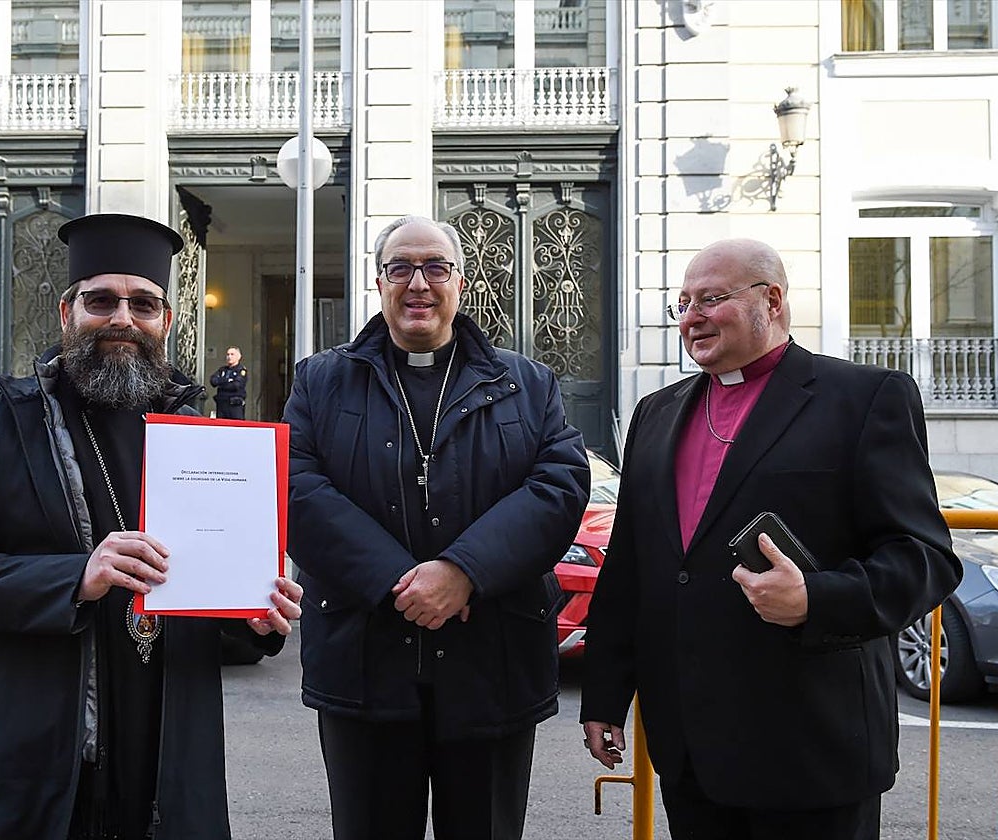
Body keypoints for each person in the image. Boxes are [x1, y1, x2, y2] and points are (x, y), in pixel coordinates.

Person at [0, 213, 302, 840]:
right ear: (68, 312)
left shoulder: (202, 436)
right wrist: (77, 577)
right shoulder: (2, 422)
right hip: (40, 747)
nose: (123, 318)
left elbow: (212, 619)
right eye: (102, 300)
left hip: (166, 748)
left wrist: (252, 617)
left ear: (165, 322)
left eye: (143, 303)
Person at [580, 238, 962, 840]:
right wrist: (604, 694)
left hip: (810, 745)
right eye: (682, 302)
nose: (691, 316)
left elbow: (925, 559)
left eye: (712, 298)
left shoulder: (863, 398)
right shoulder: (655, 413)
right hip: (692, 750)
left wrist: (817, 598)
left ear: (773, 300)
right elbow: (631, 566)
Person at [284, 215, 590, 839]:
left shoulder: (526, 383)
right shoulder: (321, 379)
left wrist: (462, 572)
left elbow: (558, 486)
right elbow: (295, 487)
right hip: (365, 663)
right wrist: (403, 580)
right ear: (379, 282)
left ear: (460, 281)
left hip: (492, 667)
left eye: (435, 268)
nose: (418, 283)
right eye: (402, 268)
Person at [210, 346, 248, 419]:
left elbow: (236, 385)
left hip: (234, 406)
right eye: (228, 354)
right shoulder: (222, 370)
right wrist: (227, 380)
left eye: (232, 354)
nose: (229, 357)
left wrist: (221, 383)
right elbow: (213, 381)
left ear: (239, 357)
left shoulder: (241, 370)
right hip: (222, 405)